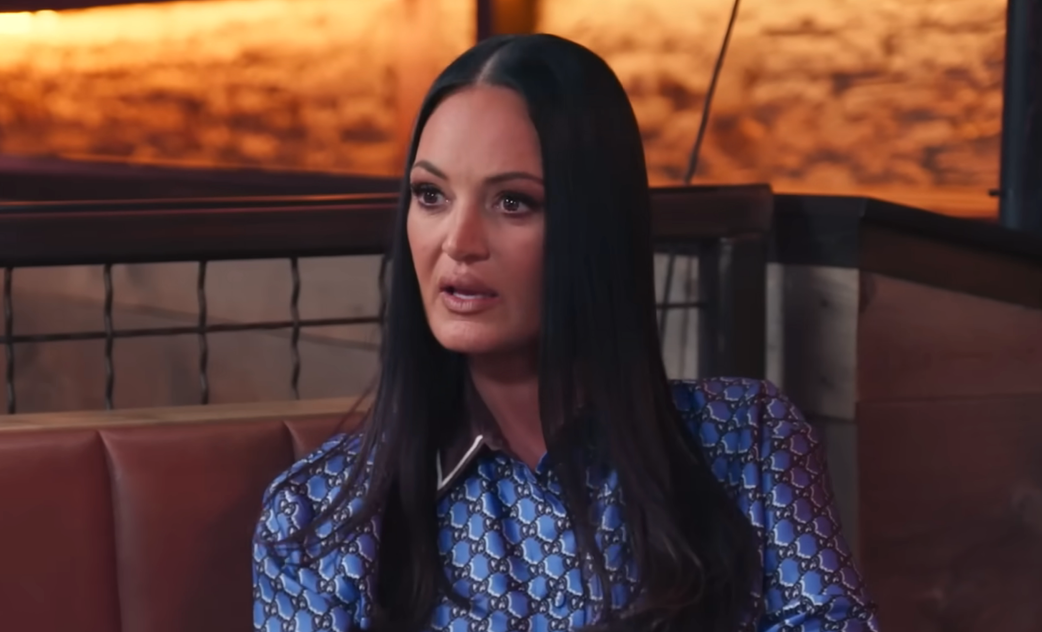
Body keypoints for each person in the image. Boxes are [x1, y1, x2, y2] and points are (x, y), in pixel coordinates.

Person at [253, 34, 879, 632]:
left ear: (595, 227)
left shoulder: (749, 445)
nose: (459, 243)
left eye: (513, 202)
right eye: (431, 195)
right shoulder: (317, 518)